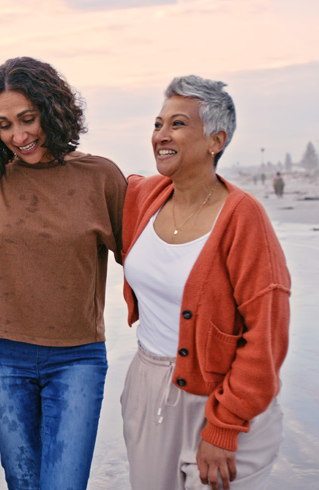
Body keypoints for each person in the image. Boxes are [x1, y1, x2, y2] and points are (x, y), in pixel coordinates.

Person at [120, 75, 290, 490]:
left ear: (216, 140)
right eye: (158, 124)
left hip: (223, 399)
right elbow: (79, 180)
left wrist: (224, 427)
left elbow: (266, 336)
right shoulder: (143, 197)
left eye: (177, 124)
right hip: (148, 388)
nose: (161, 134)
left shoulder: (243, 218)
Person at [0, 57, 127, 490]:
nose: (18, 136)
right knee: (22, 482)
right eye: (4, 125)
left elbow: (142, 261)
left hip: (77, 358)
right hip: (1, 357)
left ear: (52, 111)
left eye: (27, 119)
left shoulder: (101, 177)